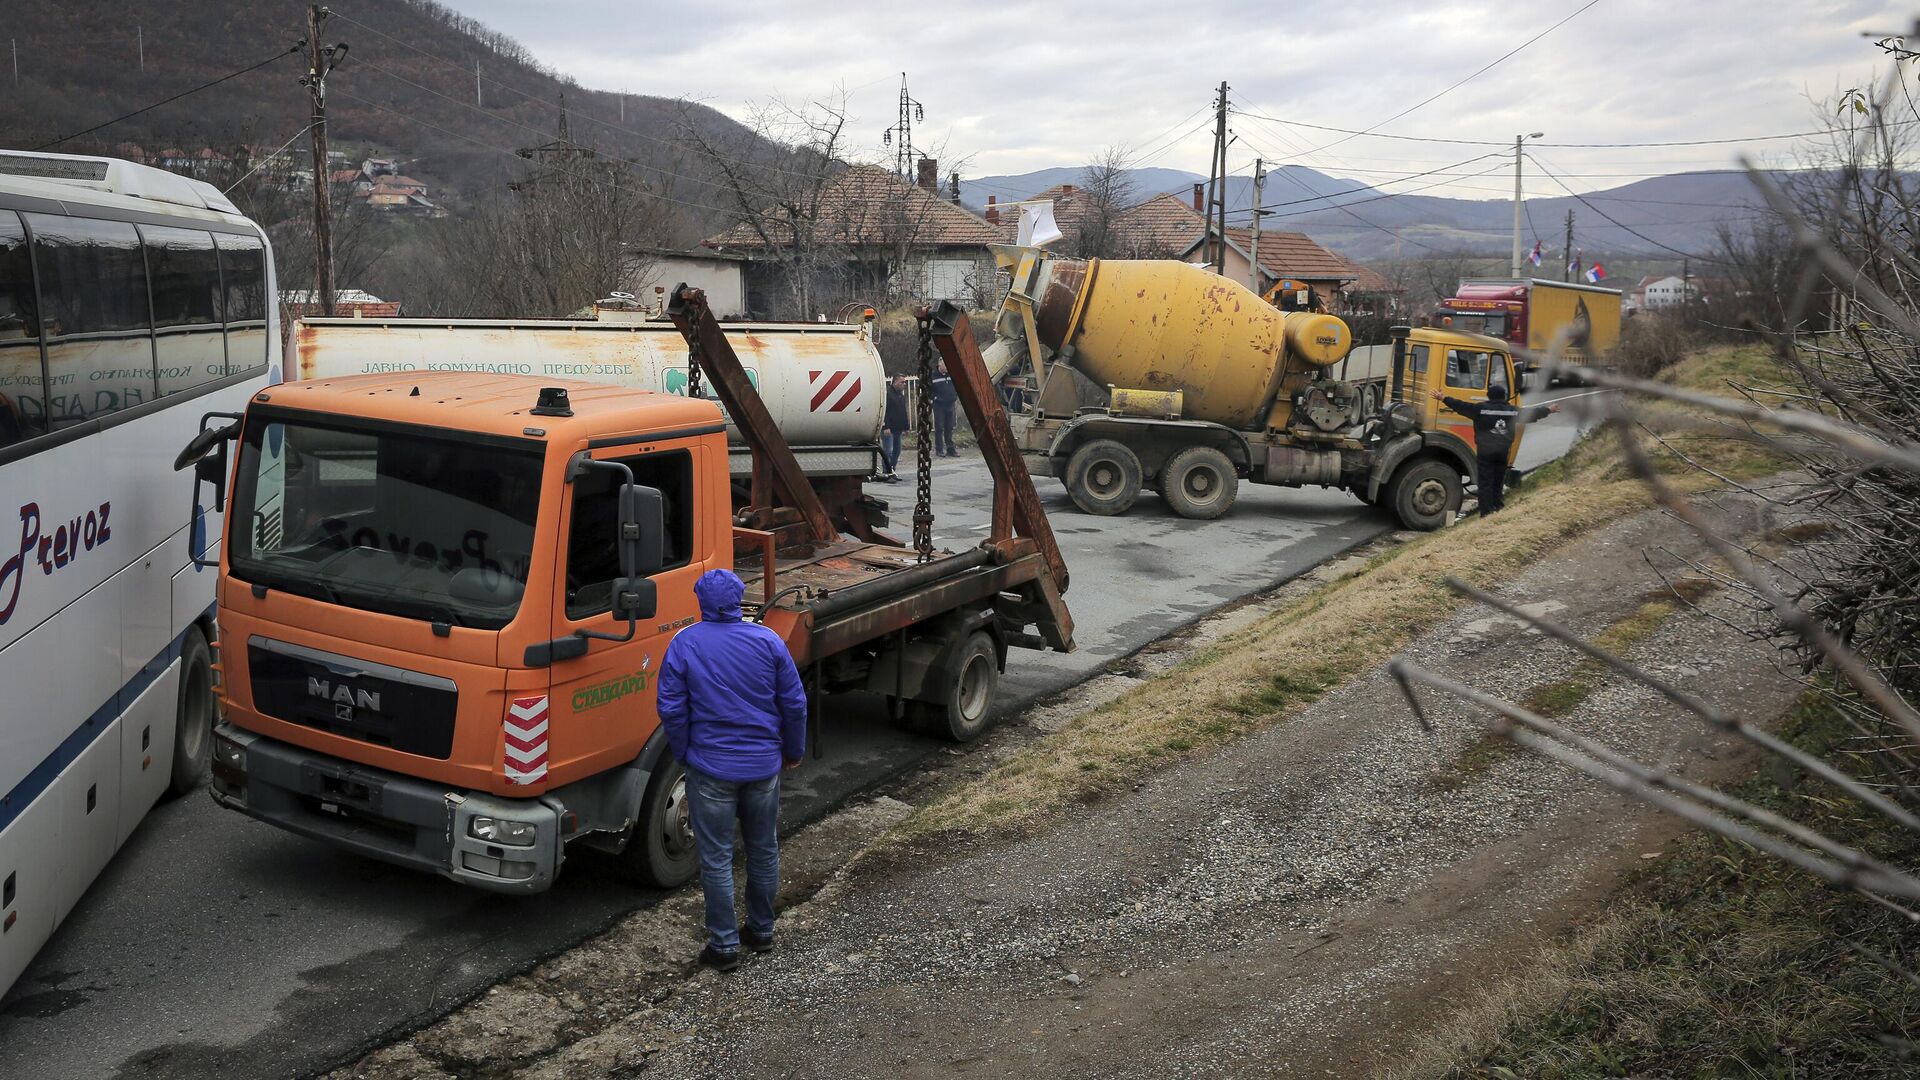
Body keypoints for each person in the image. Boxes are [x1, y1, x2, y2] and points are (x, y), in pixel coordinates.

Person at [657, 569, 808, 972]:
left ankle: (723, 947)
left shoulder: (684, 644)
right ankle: (761, 931)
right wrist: (793, 750)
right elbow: (794, 703)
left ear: (701, 603)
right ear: (740, 601)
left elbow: (672, 708)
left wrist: (685, 752)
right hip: (762, 766)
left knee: (717, 857)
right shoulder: (767, 641)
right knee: (763, 849)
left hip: (711, 768)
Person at [1430, 384, 1560, 516]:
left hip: (1485, 451)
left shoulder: (1480, 409)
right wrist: (1549, 410)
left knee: (1485, 481)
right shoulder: (1511, 410)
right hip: (1502, 450)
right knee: (1498, 479)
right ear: (1504, 396)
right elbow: (1531, 414)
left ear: (1489, 396)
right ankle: (1497, 506)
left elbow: (1460, 405)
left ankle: (1485, 511)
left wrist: (1443, 398)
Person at [878, 374, 908, 483]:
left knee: (897, 451)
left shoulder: (901, 395)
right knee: (888, 451)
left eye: (905, 382)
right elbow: (884, 411)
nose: (904, 384)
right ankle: (886, 473)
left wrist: (905, 427)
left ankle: (892, 471)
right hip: (889, 429)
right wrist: (885, 426)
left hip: (898, 428)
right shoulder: (888, 395)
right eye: (902, 382)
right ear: (894, 382)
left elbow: (903, 412)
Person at [928, 359, 959, 457]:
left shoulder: (951, 375)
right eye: (945, 365)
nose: (946, 368)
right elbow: (928, 391)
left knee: (949, 427)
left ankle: (950, 449)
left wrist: (954, 396)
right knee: (939, 428)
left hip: (950, 404)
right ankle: (939, 449)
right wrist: (935, 398)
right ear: (939, 365)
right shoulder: (933, 376)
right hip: (939, 406)